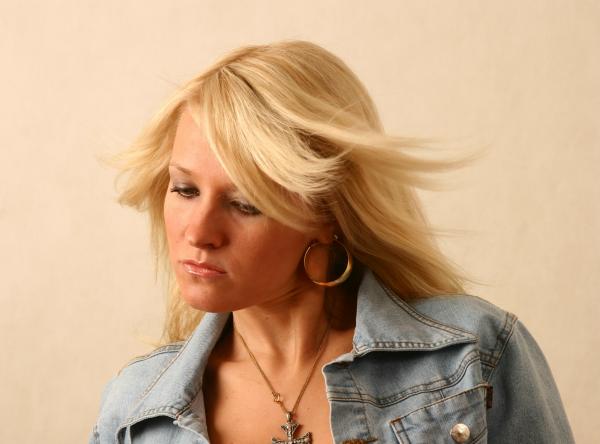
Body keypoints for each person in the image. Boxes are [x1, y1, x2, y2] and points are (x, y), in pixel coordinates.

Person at [89, 40, 574, 444]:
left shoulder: (473, 356)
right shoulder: (135, 412)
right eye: (185, 189)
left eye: (244, 204)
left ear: (325, 212)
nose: (198, 233)